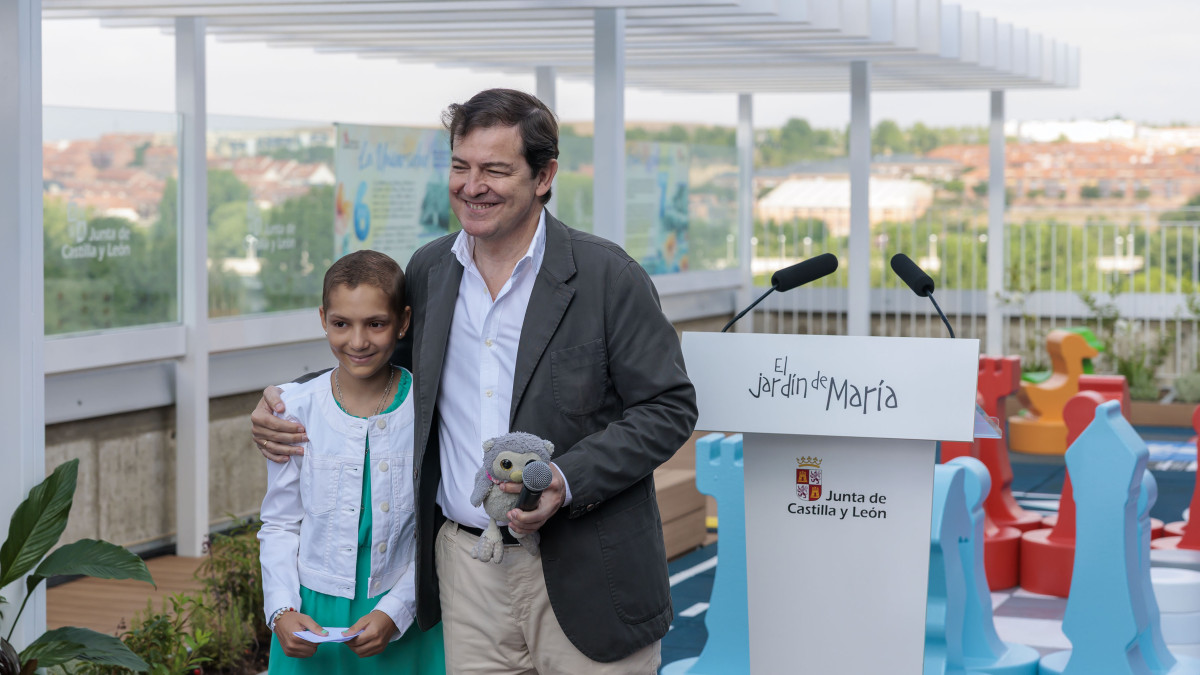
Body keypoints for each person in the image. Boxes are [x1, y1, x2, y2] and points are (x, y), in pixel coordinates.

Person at [252, 88, 697, 673]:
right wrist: (291, 399)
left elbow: (668, 407)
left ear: (544, 176)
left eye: (495, 169)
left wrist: (565, 478)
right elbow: (382, 361)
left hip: (588, 569)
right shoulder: (431, 270)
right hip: (466, 573)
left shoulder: (608, 277)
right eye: (461, 166)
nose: (472, 184)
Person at [257, 250, 445, 673]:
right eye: (342, 324)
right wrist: (281, 610)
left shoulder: (427, 408)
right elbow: (281, 523)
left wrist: (397, 610)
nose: (357, 341)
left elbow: (439, 526)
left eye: (375, 324)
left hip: (403, 607)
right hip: (311, 614)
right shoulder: (294, 410)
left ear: (404, 321)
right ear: (323, 318)